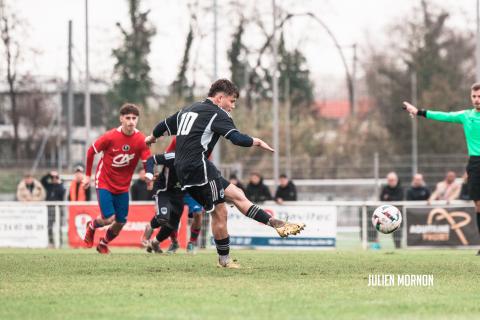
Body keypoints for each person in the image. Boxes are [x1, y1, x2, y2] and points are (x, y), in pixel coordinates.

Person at [146, 79, 305, 268]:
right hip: (199, 168)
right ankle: (225, 260)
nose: (233, 106)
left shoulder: (188, 109)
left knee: (237, 194)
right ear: (220, 98)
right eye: (232, 101)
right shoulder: (217, 113)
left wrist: (152, 137)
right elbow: (236, 138)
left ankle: (274, 223)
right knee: (220, 212)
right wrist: (256, 141)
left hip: (185, 169)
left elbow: (162, 125)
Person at [403, 83, 480, 255]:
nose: (477, 100)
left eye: (479, 97)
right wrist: (418, 111)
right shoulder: (466, 116)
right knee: (478, 205)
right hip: (475, 163)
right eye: (474, 96)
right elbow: (444, 116)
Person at [82, 103, 151, 254]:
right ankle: (92, 226)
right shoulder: (110, 136)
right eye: (128, 118)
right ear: (121, 119)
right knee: (108, 218)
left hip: (123, 186)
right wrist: (87, 176)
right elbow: (90, 152)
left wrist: (149, 175)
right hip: (104, 181)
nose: (131, 121)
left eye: (134, 118)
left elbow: (147, 160)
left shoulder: (140, 139)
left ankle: (103, 244)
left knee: (121, 222)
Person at [141, 151, 185, 254]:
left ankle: (155, 243)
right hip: (164, 191)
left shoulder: (197, 161)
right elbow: (151, 159)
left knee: (171, 225)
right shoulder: (173, 156)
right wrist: (149, 174)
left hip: (179, 195)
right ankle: (149, 228)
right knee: (163, 218)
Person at [374, 172, 404, 249]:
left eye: (392, 180)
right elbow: (382, 198)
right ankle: (376, 244)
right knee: (378, 226)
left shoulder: (400, 188)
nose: (391, 181)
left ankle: (398, 247)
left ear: (396, 180)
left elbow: (399, 199)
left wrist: (388, 197)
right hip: (385, 214)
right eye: (389, 180)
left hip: (397, 214)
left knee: (397, 230)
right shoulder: (385, 188)